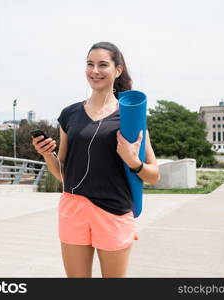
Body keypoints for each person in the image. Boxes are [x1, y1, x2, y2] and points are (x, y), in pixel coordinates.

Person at [32, 41, 160, 278]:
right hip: (73, 206)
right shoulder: (69, 114)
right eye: (90, 64)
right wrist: (46, 154)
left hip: (112, 211)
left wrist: (133, 161)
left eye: (103, 65)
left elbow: (154, 175)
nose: (95, 71)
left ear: (117, 70)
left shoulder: (131, 116)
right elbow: (62, 172)